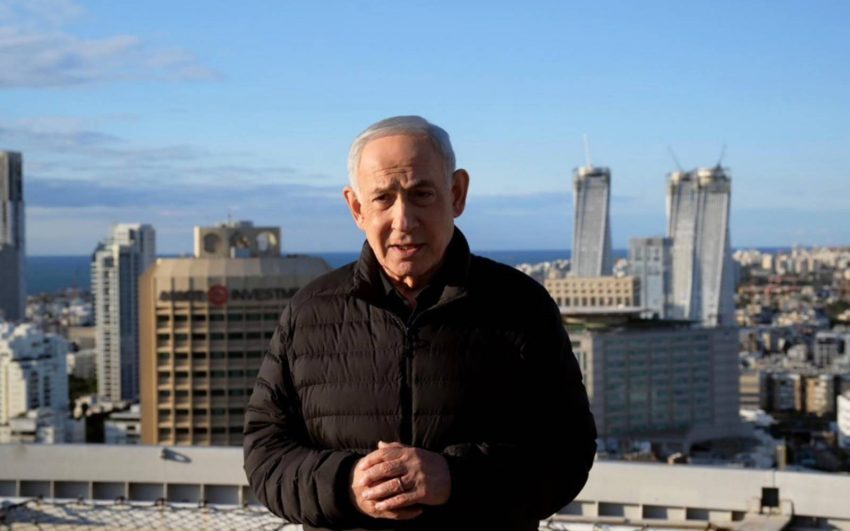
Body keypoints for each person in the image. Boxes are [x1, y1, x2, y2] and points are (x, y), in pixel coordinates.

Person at [244, 116, 596, 530]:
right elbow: (265, 455)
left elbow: (568, 453)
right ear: (357, 208)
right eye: (382, 199)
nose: (404, 220)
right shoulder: (309, 313)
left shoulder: (520, 306)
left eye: (421, 194)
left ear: (457, 194)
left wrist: (455, 479)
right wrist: (347, 484)